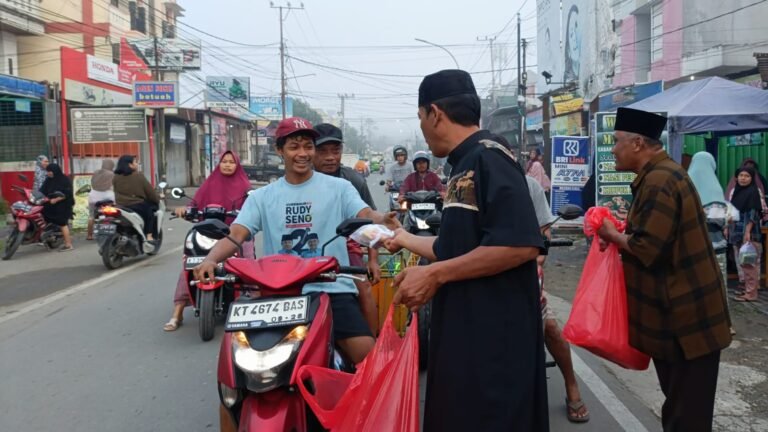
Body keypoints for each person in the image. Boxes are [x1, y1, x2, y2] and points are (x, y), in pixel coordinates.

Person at [383, 70, 547, 431]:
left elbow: (519, 245)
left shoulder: (489, 159)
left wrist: (435, 274)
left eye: (421, 118)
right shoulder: (463, 165)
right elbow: (454, 247)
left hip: (494, 346)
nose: (423, 127)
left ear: (435, 114)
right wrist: (403, 238)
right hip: (466, 338)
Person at [192, 116, 399, 366]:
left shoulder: (340, 188)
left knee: (368, 360)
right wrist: (211, 259)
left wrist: (381, 220)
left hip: (331, 289)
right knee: (240, 369)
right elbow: (236, 234)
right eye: (294, 147)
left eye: (308, 146)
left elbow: (364, 214)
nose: (303, 153)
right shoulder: (261, 197)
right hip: (278, 294)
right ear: (280, 150)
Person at [597, 107, 731, 432]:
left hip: (687, 324)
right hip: (678, 320)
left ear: (638, 143)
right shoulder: (660, 175)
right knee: (680, 409)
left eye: (617, 142)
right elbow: (654, 235)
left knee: (687, 418)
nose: (613, 149)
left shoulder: (659, 181)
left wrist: (613, 235)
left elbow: (647, 248)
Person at [164, 150, 252, 332]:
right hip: (207, 233)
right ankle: (177, 312)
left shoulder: (245, 186)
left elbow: (253, 208)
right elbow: (194, 205)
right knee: (189, 265)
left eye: (231, 162)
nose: (227, 165)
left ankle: (251, 304)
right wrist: (184, 210)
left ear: (237, 165)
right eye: (224, 161)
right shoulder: (209, 183)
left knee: (248, 264)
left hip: (235, 234)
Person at [313, 123, 381, 334]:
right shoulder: (301, 180)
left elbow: (371, 222)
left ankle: (373, 347)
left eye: (336, 151)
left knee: (364, 288)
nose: (331, 157)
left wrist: (372, 260)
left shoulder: (353, 180)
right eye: (323, 151)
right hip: (309, 247)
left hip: (347, 245)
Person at [688, 152, 734, 334]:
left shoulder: (686, 185)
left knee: (695, 286)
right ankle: (723, 324)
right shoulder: (714, 189)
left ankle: (696, 323)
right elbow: (717, 221)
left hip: (692, 247)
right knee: (717, 286)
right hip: (716, 248)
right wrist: (726, 219)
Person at [727, 166, 763, 302]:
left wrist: (747, 231)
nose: (743, 178)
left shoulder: (753, 192)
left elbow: (753, 214)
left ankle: (752, 293)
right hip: (737, 233)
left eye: (747, 176)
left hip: (750, 234)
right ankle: (749, 290)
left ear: (752, 178)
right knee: (745, 264)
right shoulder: (737, 192)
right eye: (741, 175)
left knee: (750, 264)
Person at [113, 155, 160, 241]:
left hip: (120, 205)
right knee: (150, 213)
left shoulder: (116, 177)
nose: (137, 164)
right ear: (130, 165)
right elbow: (150, 192)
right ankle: (149, 236)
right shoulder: (139, 176)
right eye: (135, 162)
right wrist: (157, 200)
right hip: (136, 205)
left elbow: (115, 191)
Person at [40, 163, 75, 251]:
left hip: (63, 204)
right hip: (50, 204)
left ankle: (68, 244)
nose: (48, 173)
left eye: (49, 171)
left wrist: (56, 199)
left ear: (55, 171)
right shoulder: (48, 180)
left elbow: (67, 194)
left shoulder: (64, 180)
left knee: (62, 223)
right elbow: (42, 190)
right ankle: (46, 237)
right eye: (47, 171)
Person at [86, 159, 115, 240]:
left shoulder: (96, 172)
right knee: (114, 213)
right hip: (108, 197)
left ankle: (89, 235)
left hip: (94, 197)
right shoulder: (112, 174)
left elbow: (92, 182)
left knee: (91, 216)